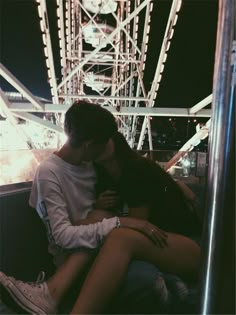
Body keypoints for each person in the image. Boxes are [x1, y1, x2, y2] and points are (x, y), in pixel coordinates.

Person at [0, 101, 201, 315]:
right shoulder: (76, 169)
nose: (109, 144)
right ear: (89, 145)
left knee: (118, 237)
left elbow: (145, 176)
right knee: (115, 234)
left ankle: (55, 294)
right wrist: (119, 220)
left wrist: (177, 185)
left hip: (177, 246)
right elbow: (66, 234)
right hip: (97, 250)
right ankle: (53, 292)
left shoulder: (107, 166)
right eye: (104, 141)